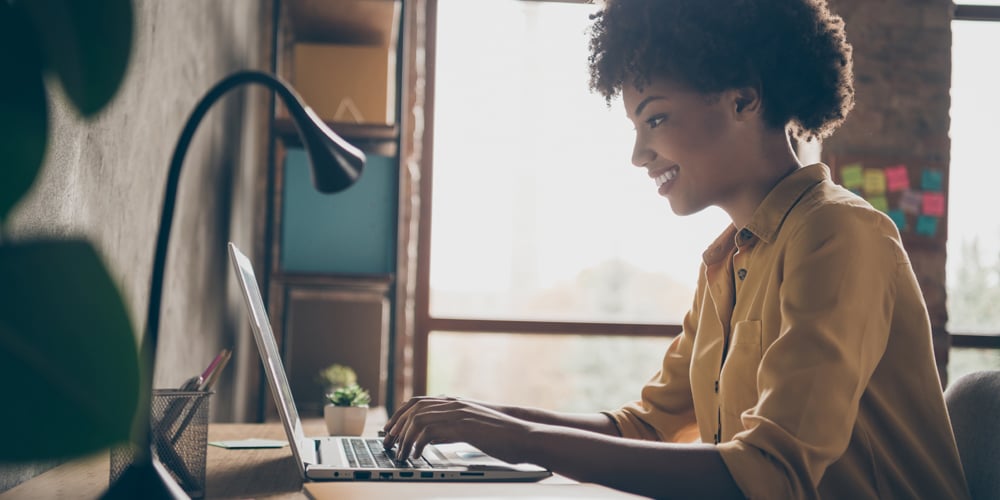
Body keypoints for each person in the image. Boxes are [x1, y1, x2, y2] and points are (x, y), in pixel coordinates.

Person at [382, 0, 971, 498]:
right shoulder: (728, 260)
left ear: (745, 100)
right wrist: (486, 420)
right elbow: (645, 427)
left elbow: (772, 472)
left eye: (655, 118)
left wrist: (520, 441)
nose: (639, 155)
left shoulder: (839, 234)